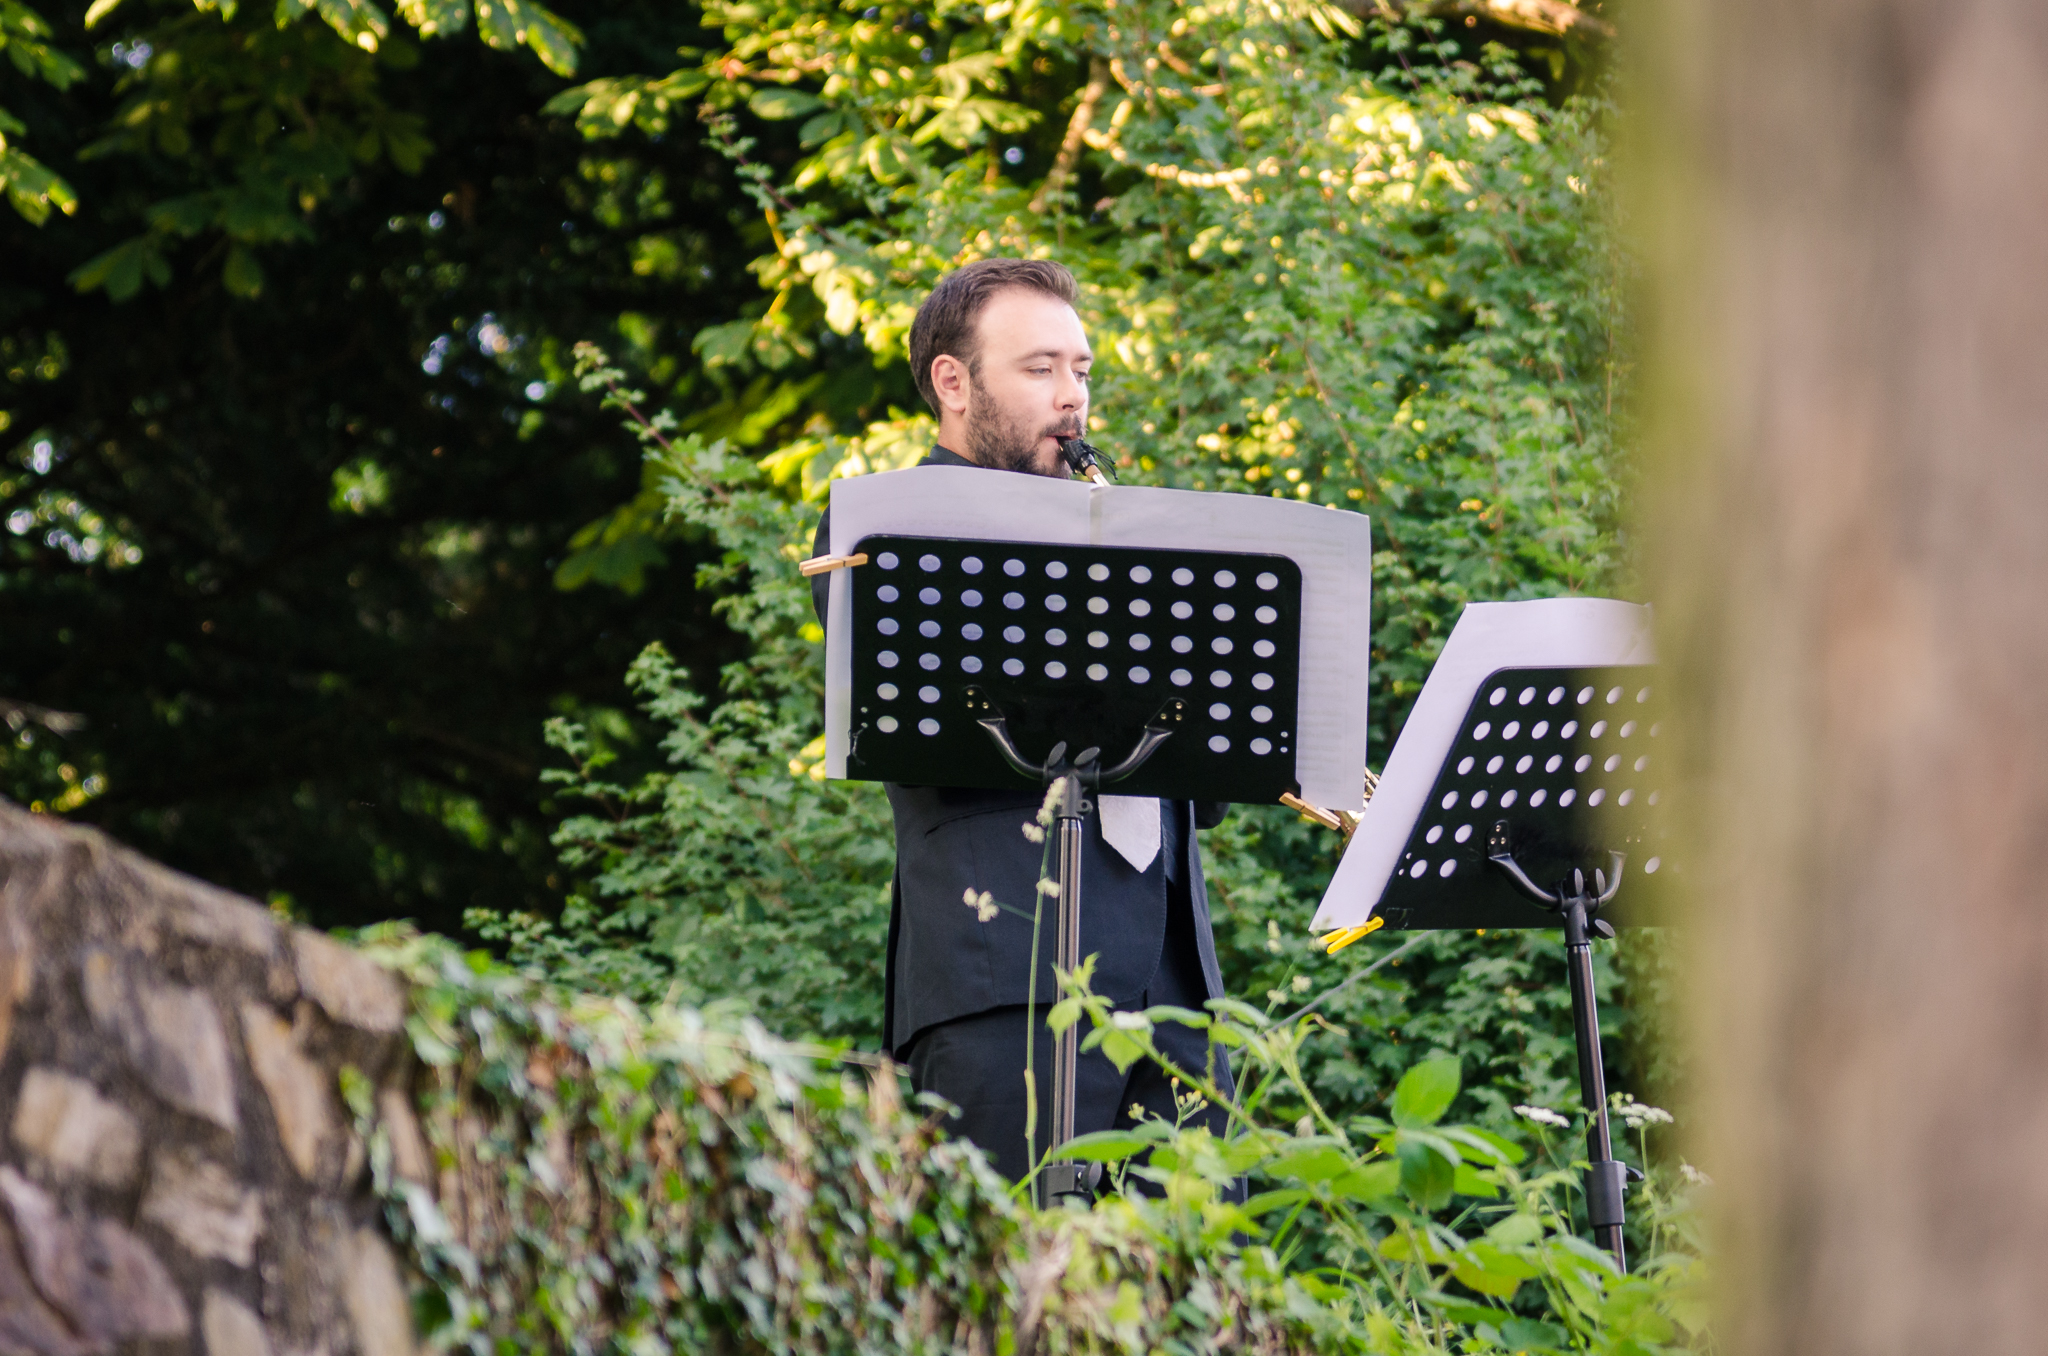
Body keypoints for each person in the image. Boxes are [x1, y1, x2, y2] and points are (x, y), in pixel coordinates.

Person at [810, 258, 1237, 1189]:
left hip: (1177, 998)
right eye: (1040, 369)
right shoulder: (881, 529)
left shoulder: (1136, 541)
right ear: (952, 383)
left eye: (1081, 371)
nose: (1072, 397)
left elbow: (1198, 798)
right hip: (1002, 981)